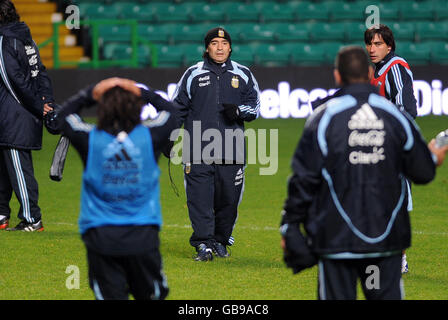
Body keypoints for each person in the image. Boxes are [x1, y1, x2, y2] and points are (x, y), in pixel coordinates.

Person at [280, 46, 448, 300]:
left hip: (336, 242)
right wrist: (434, 155)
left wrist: (290, 227)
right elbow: (423, 172)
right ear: (370, 73)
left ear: (337, 76)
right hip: (383, 243)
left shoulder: (323, 118)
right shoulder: (396, 116)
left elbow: (303, 180)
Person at [55, 78, 176, 300]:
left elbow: (61, 117)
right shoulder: (150, 137)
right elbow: (173, 113)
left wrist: (91, 92)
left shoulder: (90, 139)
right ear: (137, 107)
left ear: (101, 107)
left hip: (101, 237)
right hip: (142, 235)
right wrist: (143, 92)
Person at [171, 27, 260, 261]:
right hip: (197, 151)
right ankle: (203, 244)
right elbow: (176, 110)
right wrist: (167, 137)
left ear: (230, 47)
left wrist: (240, 111)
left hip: (232, 152)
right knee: (199, 200)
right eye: (214, 43)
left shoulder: (243, 74)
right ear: (207, 48)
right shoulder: (192, 74)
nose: (219, 47)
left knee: (228, 201)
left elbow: (256, 107)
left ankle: (221, 241)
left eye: (223, 43)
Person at [365, 24, 417, 273]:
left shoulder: (395, 67)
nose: (372, 48)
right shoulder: (376, 71)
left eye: (377, 44)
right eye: (370, 43)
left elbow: (407, 110)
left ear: (389, 46)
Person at [0, 0, 54, 232]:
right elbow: (40, 72)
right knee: (4, 169)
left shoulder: (4, 40)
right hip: (23, 112)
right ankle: (2, 214)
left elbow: (12, 81)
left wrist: (36, 105)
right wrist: (46, 101)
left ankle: (32, 218)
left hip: (13, 115)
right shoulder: (26, 37)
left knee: (19, 168)